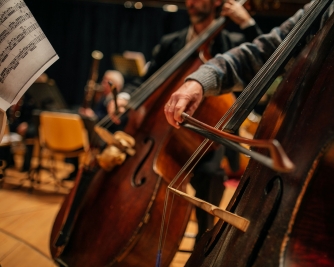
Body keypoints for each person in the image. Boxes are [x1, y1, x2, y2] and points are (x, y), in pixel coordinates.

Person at [107, 0, 263, 243]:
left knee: (210, 176)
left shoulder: (230, 43)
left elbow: (264, 60)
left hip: (203, 136)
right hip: (158, 130)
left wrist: (246, 22)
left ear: (216, 3)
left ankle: (203, 240)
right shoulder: (171, 42)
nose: (191, 2)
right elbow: (147, 80)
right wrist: (125, 96)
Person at [164, 1, 334, 128]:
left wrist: (247, 24)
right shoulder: (325, 7)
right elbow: (265, 53)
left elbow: (261, 62)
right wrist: (199, 81)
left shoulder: (231, 40)